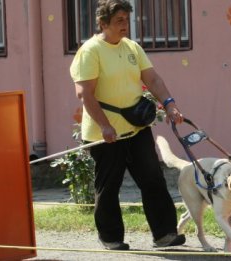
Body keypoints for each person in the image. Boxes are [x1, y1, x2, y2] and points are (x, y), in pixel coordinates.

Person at [69, 0, 185, 250]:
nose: (125, 25)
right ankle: (111, 238)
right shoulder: (90, 51)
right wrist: (105, 125)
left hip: (136, 128)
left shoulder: (132, 47)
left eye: (126, 19)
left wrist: (170, 104)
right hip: (106, 133)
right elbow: (84, 94)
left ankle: (165, 234)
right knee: (109, 185)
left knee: (153, 178)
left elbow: (152, 79)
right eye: (119, 20)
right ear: (103, 23)